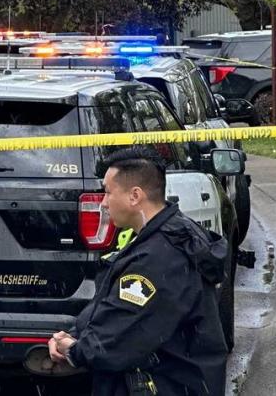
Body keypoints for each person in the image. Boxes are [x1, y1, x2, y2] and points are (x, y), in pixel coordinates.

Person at [48, 147, 229, 396]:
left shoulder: (158, 257)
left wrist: (74, 349)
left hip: (163, 385)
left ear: (135, 196)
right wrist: (76, 334)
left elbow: (120, 336)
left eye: (107, 192)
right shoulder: (171, 232)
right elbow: (115, 309)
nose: (103, 203)